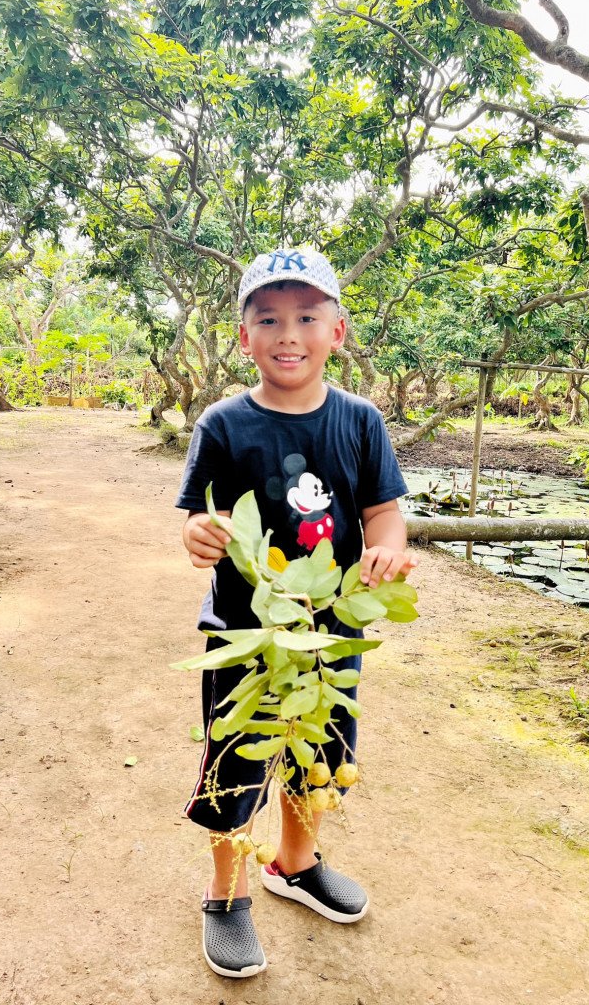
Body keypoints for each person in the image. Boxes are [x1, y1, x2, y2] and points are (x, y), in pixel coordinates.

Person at [177, 248, 417, 978]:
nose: (289, 333)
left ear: (337, 332)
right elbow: (197, 518)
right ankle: (226, 895)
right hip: (246, 638)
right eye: (269, 318)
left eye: (308, 317)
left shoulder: (360, 421)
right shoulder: (223, 424)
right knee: (237, 765)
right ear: (243, 336)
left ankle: (296, 863)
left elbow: (385, 513)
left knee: (319, 759)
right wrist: (198, 535)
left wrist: (387, 552)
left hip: (331, 634)